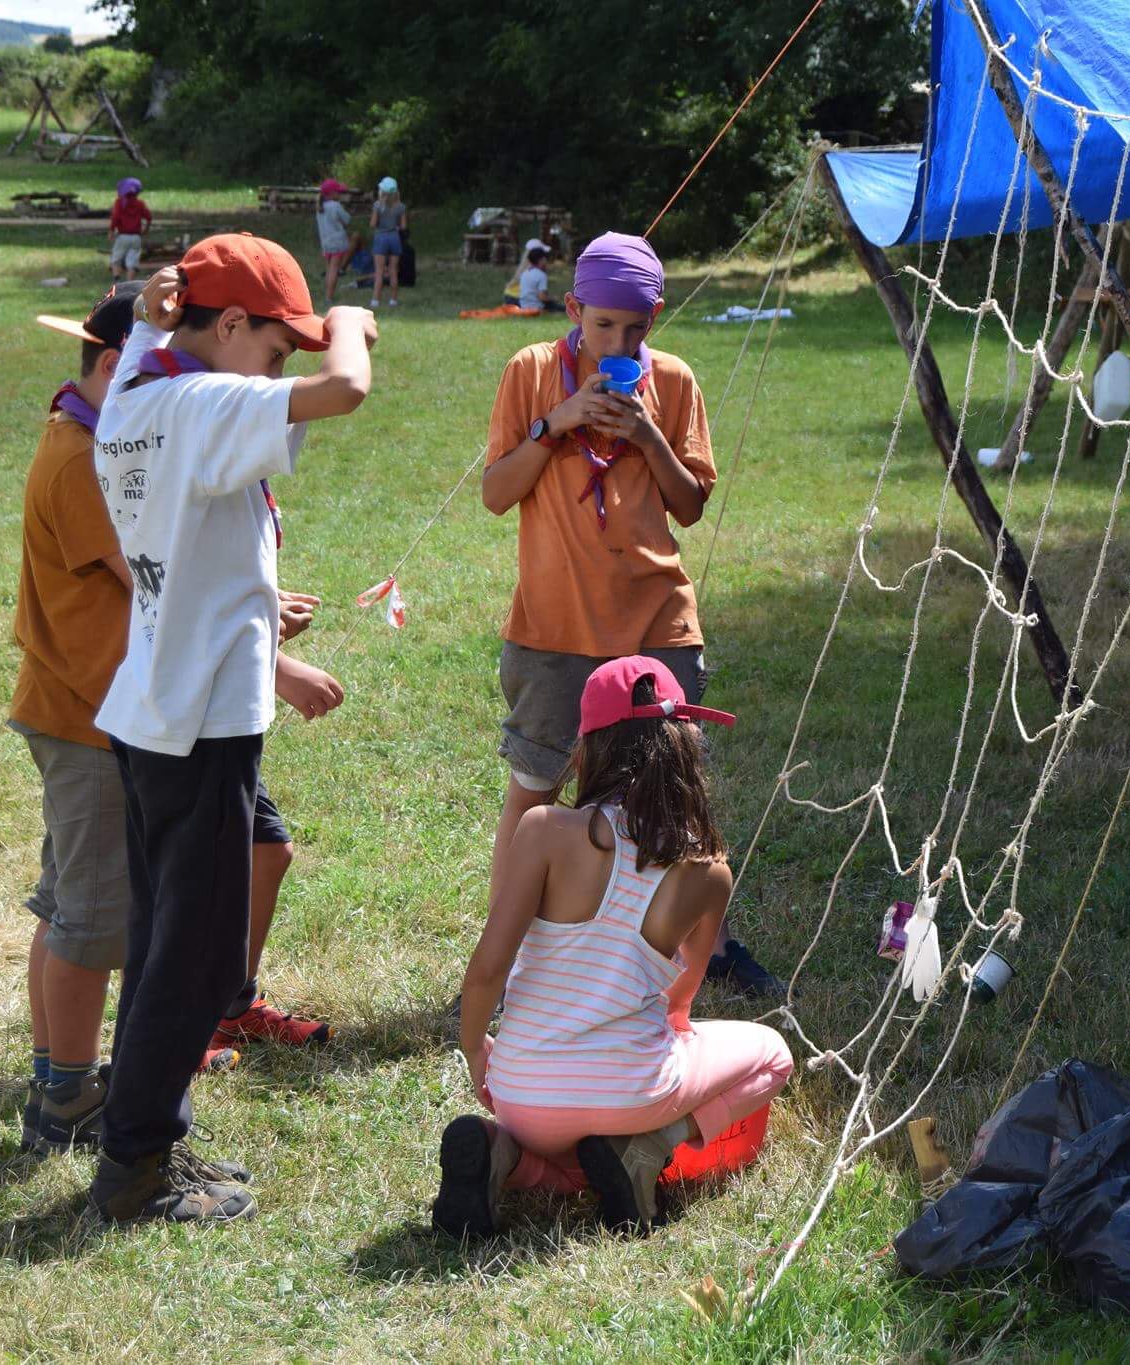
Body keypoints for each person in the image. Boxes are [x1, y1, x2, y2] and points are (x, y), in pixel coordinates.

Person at [85, 237, 374, 1224]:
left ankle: (148, 1130)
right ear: (231, 325)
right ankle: (133, 1167)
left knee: (167, 942)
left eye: (298, 347)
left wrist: (156, 315)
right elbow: (345, 394)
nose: (286, 364)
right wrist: (351, 330)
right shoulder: (201, 401)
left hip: (157, 706)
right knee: (197, 961)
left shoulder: (136, 385)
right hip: (199, 721)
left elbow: (144, 341)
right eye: (276, 343)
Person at [16, 288, 338, 1158]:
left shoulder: (111, 422)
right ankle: (66, 1091)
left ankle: (199, 1019)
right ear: (124, 366)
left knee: (193, 886)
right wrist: (277, 655)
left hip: (159, 704)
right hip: (96, 713)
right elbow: (157, 580)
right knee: (90, 916)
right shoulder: (83, 450)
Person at [477, 229, 781, 999]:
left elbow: (690, 503)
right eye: (603, 324)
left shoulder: (673, 382)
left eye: (635, 328)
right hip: (555, 625)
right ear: (574, 307)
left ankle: (693, 953)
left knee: (672, 792)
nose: (617, 339)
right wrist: (559, 421)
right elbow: (495, 491)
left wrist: (644, 432)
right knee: (537, 786)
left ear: (655, 319)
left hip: (657, 619)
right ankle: (505, 959)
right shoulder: (533, 371)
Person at [435, 658, 794, 1237]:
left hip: (521, 1094)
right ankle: (649, 1147)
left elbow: (485, 972)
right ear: (684, 747)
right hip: (631, 1094)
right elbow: (680, 1005)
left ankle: (511, 1158)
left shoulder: (545, 830)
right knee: (773, 1053)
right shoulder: (708, 869)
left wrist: (479, 1052)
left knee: (553, 1130)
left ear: (588, 747)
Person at [315, 179, 355, 305]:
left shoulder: (319, 207)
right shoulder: (336, 206)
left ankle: (328, 294)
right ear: (332, 194)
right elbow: (347, 220)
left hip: (325, 243)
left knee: (329, 268)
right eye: (338, 192)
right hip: (337, 242)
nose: (340, 194)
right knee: (334, 269)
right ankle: (329, 297)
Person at [370, 176, 407, 309]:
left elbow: (373, 224)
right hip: (394, 238)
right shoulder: (401, 207)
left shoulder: (377, 205)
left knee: (379, 271)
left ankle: (376, 300)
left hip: (380, 238)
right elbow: (403, 227)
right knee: (393, 271)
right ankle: (393, 300)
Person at [108, 177, 151, 283]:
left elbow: (115, 217)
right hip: (136, 237)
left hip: (123, 236)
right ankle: (130, 282)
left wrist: (111, 230)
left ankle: (117, 281)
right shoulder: (140, 204)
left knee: (116, 259)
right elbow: (149, 217)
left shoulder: (119, 203)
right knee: (132, 261)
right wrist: (146, 228)